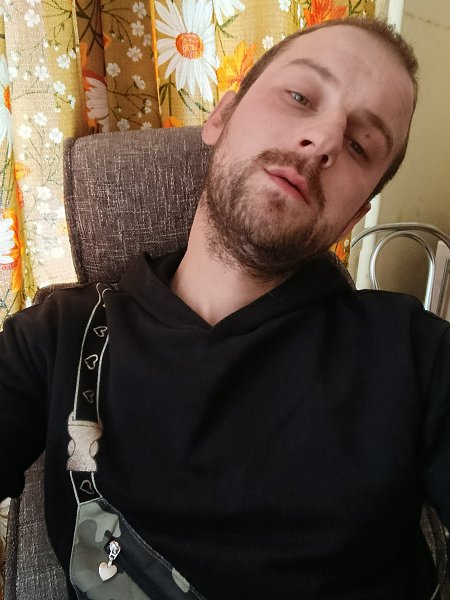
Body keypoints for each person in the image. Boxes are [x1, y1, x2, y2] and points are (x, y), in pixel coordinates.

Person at [1, 15, 449, 600]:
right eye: (300, 96)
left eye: (361, 145)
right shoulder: (56, 337)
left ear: (355, 216)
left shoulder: (417, 355)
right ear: (221, 117)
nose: (324, 141)